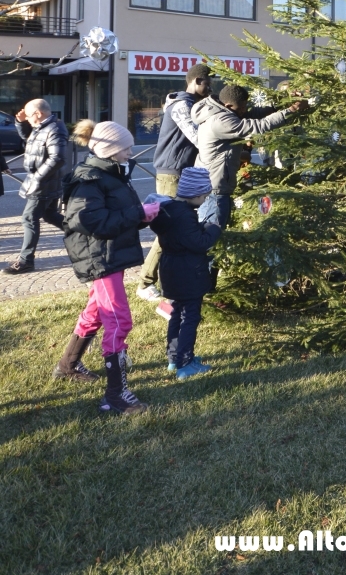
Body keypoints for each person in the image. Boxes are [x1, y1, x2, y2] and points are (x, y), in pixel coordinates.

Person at [55, 121, 160, 414]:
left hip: (111, 254)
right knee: (118, 321)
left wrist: (143, 215)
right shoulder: (89, 179)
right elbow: (90, 221)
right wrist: (138, 212)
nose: (130, 152)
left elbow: (116, 214)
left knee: (94, 312)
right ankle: (116, 396)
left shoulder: (111, 173)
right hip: (99, 258)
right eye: (126, 147)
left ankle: (67, 366)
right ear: (110, 150)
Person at [136, 64, 212, 303]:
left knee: (179, 226)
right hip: (173, 173)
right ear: (197, 80)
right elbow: (198, 137)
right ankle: (145, 282)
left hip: (183, 170)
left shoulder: (190, 103)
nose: (210, 87)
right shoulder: (182, 106)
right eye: (208, 82)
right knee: (171, 227)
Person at [192, 83, 307, 229]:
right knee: (210, 236)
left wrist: (280, 104)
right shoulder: (219, 122)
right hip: (214, 191)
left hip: (215, 188)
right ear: (228, 106)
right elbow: (257, 126)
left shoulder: (220, 112)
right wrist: (291, 110)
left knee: (214, 234)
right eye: (241, 108)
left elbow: (253, 114)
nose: (245, 110)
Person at [148, 165, 222, 380]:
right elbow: (199, 243)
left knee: (176, 314)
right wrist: (213, 228)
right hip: (188, 272)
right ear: (197, 194)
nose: (206, 199)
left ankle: (174, 358)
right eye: (205, 195)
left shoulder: (168, 209)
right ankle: (185, 363)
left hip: (170, 268)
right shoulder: (185, 216)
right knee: (190, 317)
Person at [3, 99, 68, 275]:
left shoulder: (54, 129)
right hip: (45, 181)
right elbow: (29, 139)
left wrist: (38, 177)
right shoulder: (42, 127)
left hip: (45, 182)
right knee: (50, 215)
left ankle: (26, 261)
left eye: (30, 116)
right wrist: (20, 122)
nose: (29, 120)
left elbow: (57, 158)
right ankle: (85, 233)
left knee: (29, 219)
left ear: (38, 114)